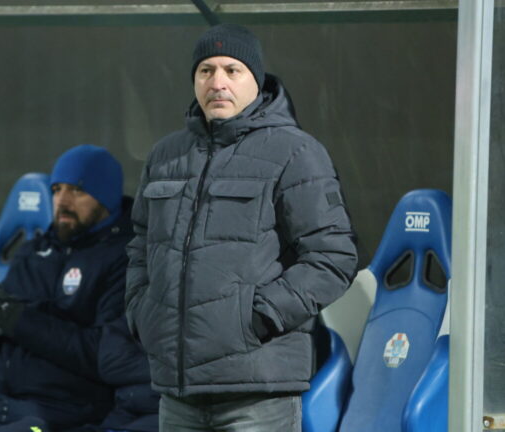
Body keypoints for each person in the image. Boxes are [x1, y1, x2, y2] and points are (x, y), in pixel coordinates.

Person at [125, 24, 358, 431]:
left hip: (257, 394)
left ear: (256, 79)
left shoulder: (295, 152)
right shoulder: (165, 155)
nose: (217, 82)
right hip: (177, 394)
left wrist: (260, 317)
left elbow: (333, 257)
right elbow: (140, 247)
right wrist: (142, 313)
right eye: (206, 71)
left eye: (232, 70)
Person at [0, 145, 158, 432]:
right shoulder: (33, 252)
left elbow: (107, 355)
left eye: (77, 191)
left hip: (58, 421)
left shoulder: (125, 259)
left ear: (106, 198)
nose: (62, 201)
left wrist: (19, 320)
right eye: (56, 190)